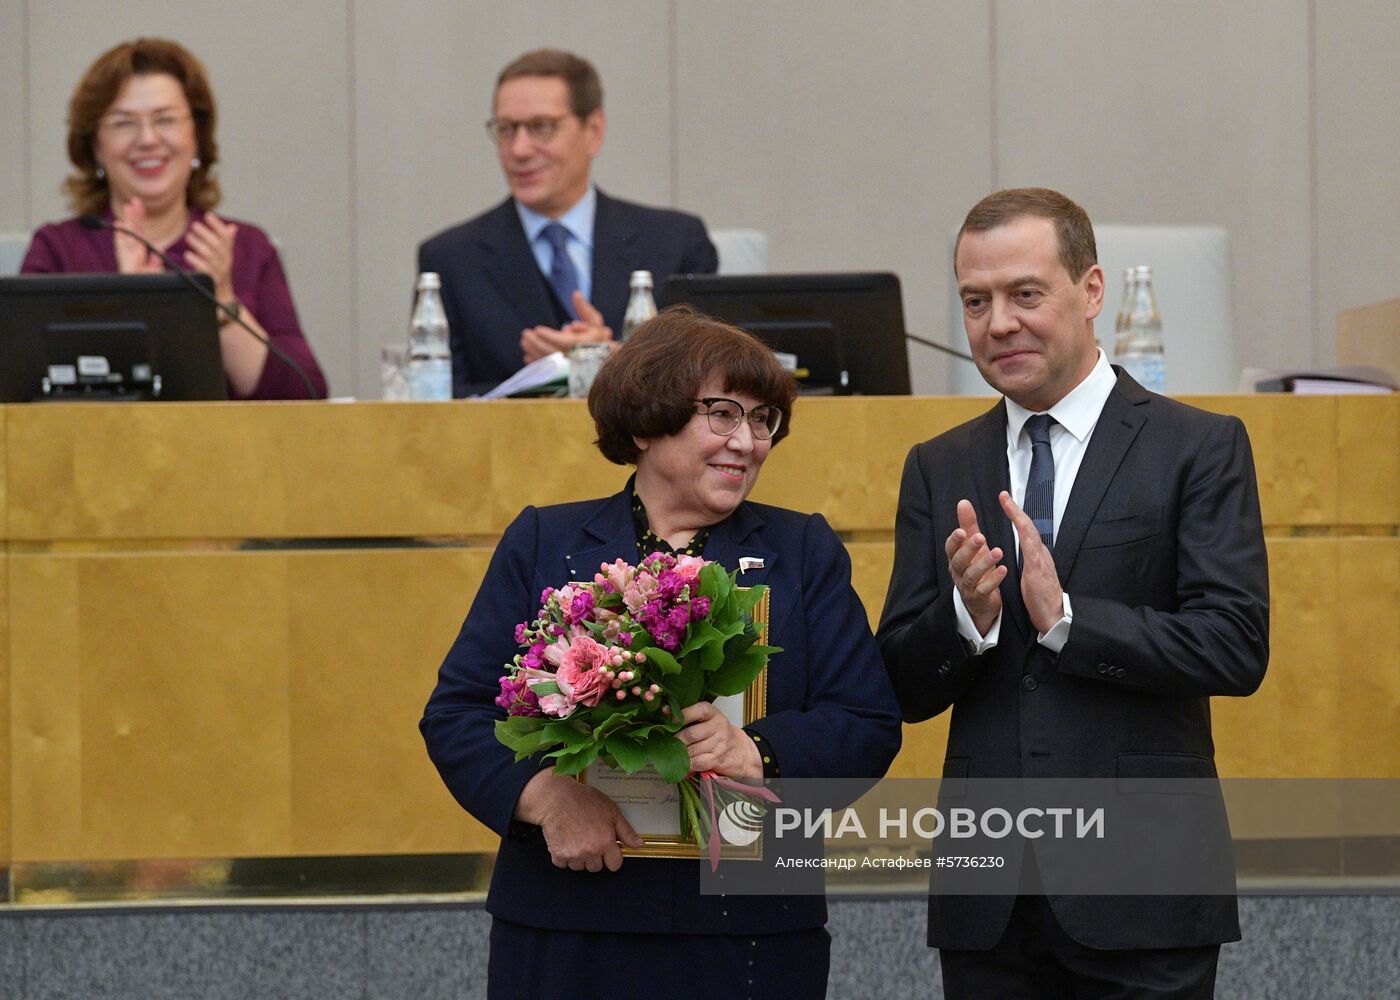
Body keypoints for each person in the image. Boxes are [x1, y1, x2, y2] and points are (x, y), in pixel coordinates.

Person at [421, 307, 901, 998]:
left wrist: (757, 754)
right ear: (647, 423)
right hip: (569, 922)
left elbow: (866, 722)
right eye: (724, 414)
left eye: (764, 420)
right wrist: (545, 800)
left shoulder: (803, 552)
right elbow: (458, 714)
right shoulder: (544, 543)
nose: (750, 441)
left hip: (749, 936)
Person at [877, 188, 1269, 998]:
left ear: (1091, 292)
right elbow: (900, 687)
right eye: (976, 302)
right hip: (989, 900)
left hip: (1144, 890)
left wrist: (1069, 623)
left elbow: (1235, 644)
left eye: (1026, 294)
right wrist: (967, 619)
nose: (999, 323)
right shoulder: (938, 465)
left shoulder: (1198, 446)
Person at [21, 37, 327, 400]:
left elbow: (303, 398)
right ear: (96, 146)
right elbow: (20, 395)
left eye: (165, 120)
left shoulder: (244, 247)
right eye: (123, 123)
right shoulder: (58, 249)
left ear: (196, 136)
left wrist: (221, 305)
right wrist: (128, 308)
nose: (148, 139)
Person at [418, 49, 718, 397]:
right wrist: (552, 374)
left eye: (541, 127)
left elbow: (711, 383)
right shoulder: (450, 258)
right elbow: (439, 401)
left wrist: (612, 362)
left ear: (593, 131)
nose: (519, 149)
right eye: (506, 129)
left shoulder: (675, 242)